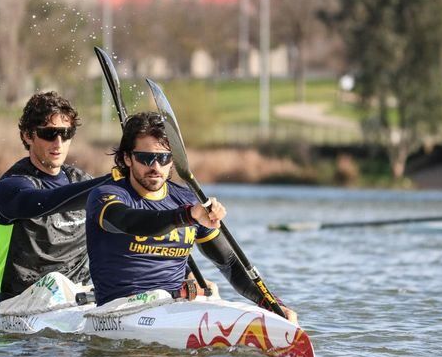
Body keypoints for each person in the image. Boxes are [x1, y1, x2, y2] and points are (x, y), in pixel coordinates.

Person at [85, 112, 298, 324]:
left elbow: (230, 262)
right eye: (146, 158)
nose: (156, 167)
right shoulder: (106, 196)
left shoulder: (185, 199)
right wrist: (187, 215)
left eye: (164, 158)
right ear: (127, 158)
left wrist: (271, 304)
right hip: (119, 312)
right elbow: (129, 222)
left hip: (174, 308)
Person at [0, 91, 111, 302]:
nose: (58, 142)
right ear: (28, 135)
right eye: (49, 134)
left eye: (66, 133)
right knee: (55, 280)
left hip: (80, 299)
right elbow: (44, 202)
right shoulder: (10, 187)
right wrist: (109, 183)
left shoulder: (82, 181)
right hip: (21, 302)